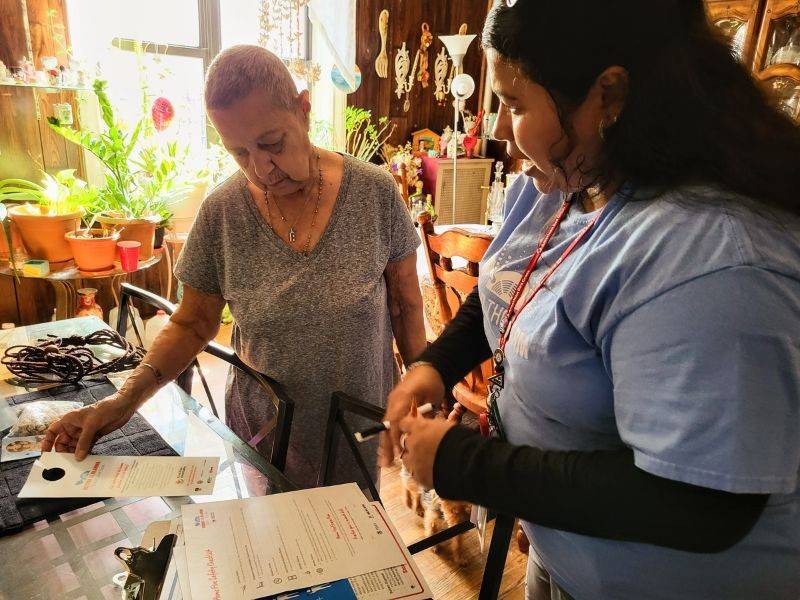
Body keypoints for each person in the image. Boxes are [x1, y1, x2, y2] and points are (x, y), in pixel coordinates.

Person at [383, 1, 800, 598]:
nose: (500, 129)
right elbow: (511, 291)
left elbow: (700, 505)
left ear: (608, 95)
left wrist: (462, 464)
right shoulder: (566, 181)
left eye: (515, 104)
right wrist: (434, 365)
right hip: (566, 555)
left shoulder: (713, 260)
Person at [43, 45, 426, 489]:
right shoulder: (223, 211)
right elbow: (191, 324)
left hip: (354, 432)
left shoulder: (373, 192)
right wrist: (122, 401)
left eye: (272, 144)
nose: (261, 168)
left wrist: (424, 390)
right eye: (239, 153)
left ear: (303, 109)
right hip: (260, 437)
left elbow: (404, 304)